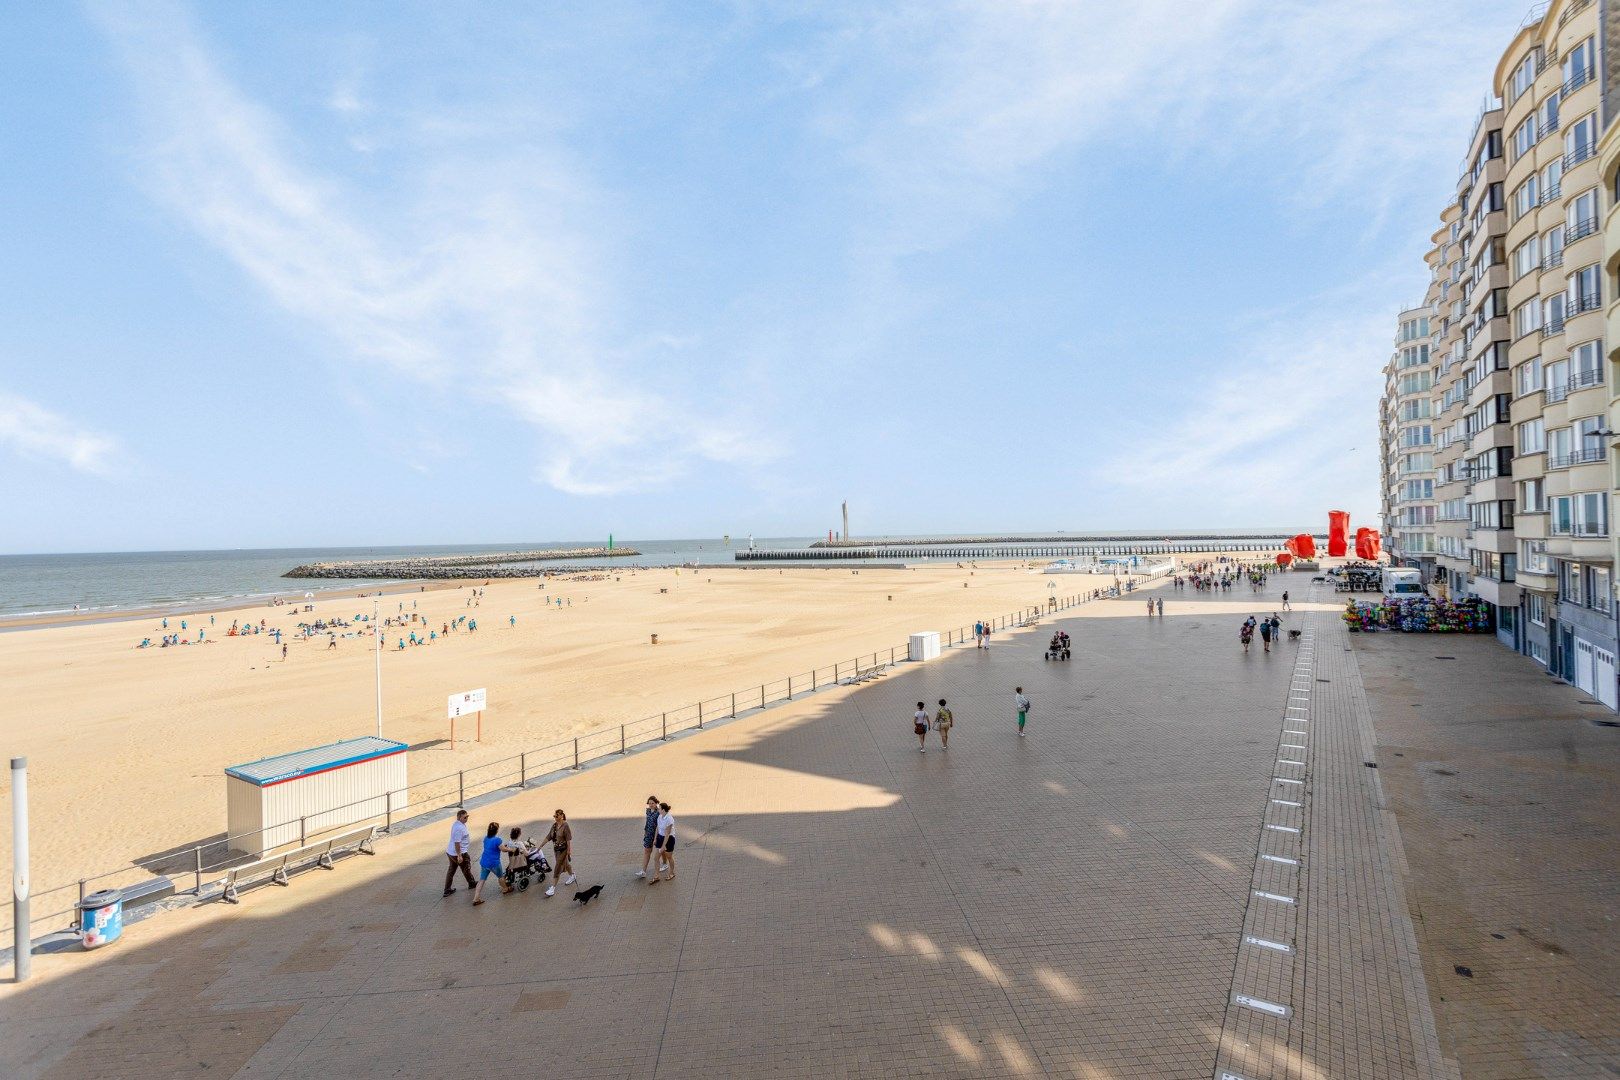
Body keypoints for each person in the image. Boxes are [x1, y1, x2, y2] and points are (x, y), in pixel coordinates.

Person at [471, 821, 512, 904]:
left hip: (484, 862)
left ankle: (476, 898)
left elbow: (492, 847)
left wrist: (502, 846)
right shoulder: (498, 840)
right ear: (496, 830)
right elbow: (503, 849)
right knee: (500, 877)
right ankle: (505, 889)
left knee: (482, 880)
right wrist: (511, 849)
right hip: (494, 863)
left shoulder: (486, 838)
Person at [443, 809, 476, 896]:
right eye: (464, 817)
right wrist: (459, 855)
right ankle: (471, 883)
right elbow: (457, 843)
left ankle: (447, 890)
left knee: (451, 871)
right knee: (466, 868)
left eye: (467, 817)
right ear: (459, 817)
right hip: (458, 853)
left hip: (450, 852)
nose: (466, 818)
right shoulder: (459, 828)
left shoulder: (458, 824)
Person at [544, 809, 575, 897]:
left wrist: (569, 851)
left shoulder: (565, 825)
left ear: (561, 816)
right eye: (554, 816)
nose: (555, 817)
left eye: (557, 816)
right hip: (557, 850)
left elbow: (568, 839)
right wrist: (540, 846)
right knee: (566, 864)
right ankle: (572, 875)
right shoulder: (554, 825)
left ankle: (552, 888)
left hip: (564, 850)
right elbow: (549, 836)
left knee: (557, 866)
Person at [649, 802, 676, 884]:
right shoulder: (660, 816)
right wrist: (655, 839)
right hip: (660, 838)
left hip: (669, 839)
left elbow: (667, 834)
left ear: (663, 810)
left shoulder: (669, 819)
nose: (658, 809)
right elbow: (658, 828)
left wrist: (663, 846)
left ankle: (671, 873)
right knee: (656, 858)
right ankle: (656, 876)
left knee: (669, 857)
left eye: (659, 808)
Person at [637, 795, 661, 878]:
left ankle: (665, 863)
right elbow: (647, 822)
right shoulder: (647, 811)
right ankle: (643, 871)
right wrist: (645, 832)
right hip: (648, 834)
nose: (651, 805)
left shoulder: (659, 812)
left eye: (653, 803)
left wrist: (655, 838)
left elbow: (659, 826)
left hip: (657, 834)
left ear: (656, 803)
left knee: (662, 851)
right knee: (647, 851)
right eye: (649, 803)